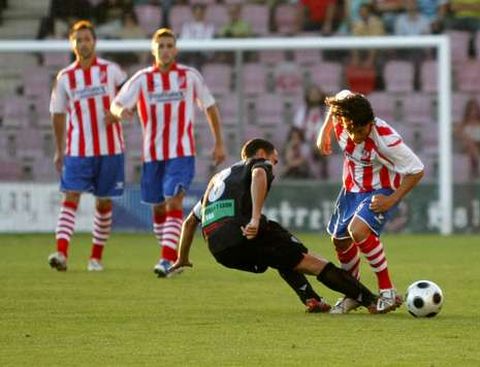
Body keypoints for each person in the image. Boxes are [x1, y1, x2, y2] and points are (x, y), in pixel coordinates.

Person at [168, 138, 402, 314]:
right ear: (261, 153)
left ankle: (311, 299)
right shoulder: (258, 162)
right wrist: (255, 218)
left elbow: (190, 223)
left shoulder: (218, 180)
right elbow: (260, 174)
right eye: (275, 160)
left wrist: (182, 257)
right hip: (243, 231)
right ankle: (372, 301)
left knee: (279, 255)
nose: (274, 165)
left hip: (219, 249)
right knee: (314, 263)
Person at [110, 28, 225, 277]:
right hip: (152, 156)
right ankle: (172, 254)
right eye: (160, 45)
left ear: (176, 49)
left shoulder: (189, 76)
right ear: (154, 50)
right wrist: (121, 113)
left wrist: (219, 143)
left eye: (169, 45)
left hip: (181, 153)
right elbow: (116, 103)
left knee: (174, 200)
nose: (165, 50)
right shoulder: (142, 78)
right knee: (159, 208)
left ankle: (165, 259)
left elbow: (210, 107)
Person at [316, 90, 424, 313]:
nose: (356, 135)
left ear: (370, 123)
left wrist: (391, 200)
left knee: (359, 230)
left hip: (380, 190)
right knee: (340, 241)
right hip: (351, 188)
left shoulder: (386, 140)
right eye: (352, 129)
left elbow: (417, 170)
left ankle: (387, 291)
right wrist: (325, 132)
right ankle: (353, 293)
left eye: (362, 130)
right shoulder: (345, 110)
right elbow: (337, 100)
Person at [48, 20, 127, 272]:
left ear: (94, 42)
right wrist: (59, 149)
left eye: (87, 39)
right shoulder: (65, 78)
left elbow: (130, 100)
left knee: (103, 203)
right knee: (70, 196)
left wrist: (119, 113)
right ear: (72, 44)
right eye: (78, 39)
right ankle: (61, 253)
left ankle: (96, 258)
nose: (83, 43)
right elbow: (58, 113)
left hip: (111, 149)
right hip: (78, 150)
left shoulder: (111, 70)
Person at [455, 97, 480, 179]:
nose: (473, 112)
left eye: (475, 109)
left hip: (477, 147)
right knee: (470, 143)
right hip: (465, 148)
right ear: (468, 110)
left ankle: (474, 171)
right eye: (471, 109)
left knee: (473, 146)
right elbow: (457, 134)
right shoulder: (463, 124)